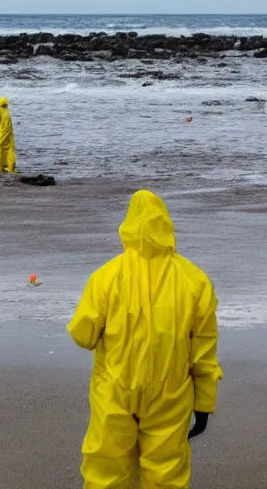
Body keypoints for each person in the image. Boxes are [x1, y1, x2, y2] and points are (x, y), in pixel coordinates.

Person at [68, 190, 224, 488]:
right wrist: (204, 403)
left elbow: (82, 335)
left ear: (127, 227)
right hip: (171, 393)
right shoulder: (195, 280)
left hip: (115, 389)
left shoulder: (106, 277)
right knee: (166, 472)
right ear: (167, 227)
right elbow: (204, 348)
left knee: (106, 468)